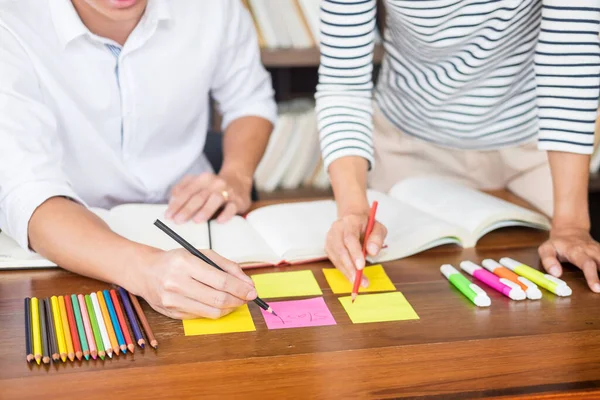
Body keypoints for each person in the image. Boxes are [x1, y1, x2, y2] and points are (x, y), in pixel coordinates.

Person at [0, 0, 277, 318]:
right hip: (72, 242)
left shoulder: (215, 8)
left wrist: (236, 175)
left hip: (194, 220)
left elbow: (249, 101)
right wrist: (146, 270)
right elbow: (28, 194)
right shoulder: (9, 25)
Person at [316, 0, 600, 292]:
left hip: (533, 147)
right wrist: (352, 209)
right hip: (407, 146)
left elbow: (570, 57)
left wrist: (571, 226)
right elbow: (344, 81)